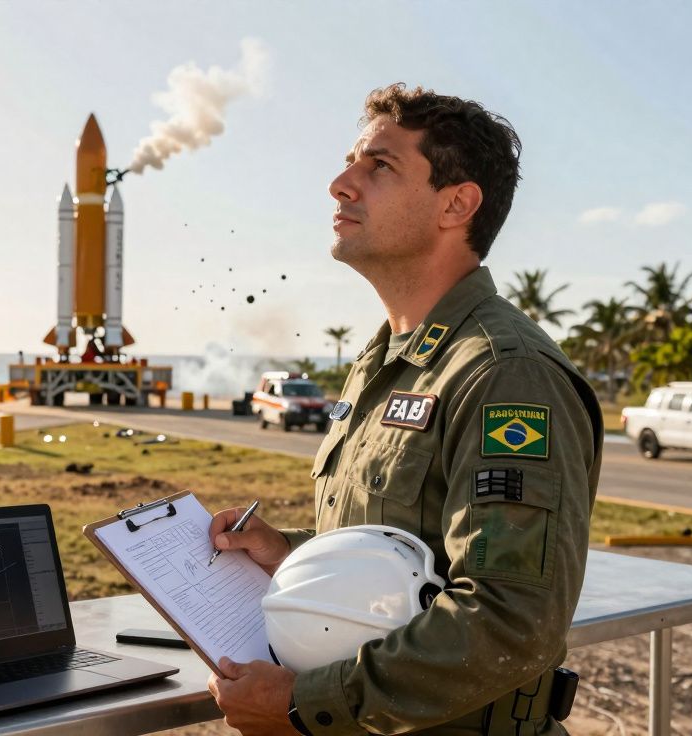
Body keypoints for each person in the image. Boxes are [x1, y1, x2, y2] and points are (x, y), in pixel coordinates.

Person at [206, 84, 603, 735]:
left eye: (378, 165)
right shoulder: (382, 361)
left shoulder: (505, 372)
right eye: (350, 162)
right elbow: (407, 556)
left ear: (456, 203)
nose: (340, 183)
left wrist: (307, 703)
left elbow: (510, 619)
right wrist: (291, 556)